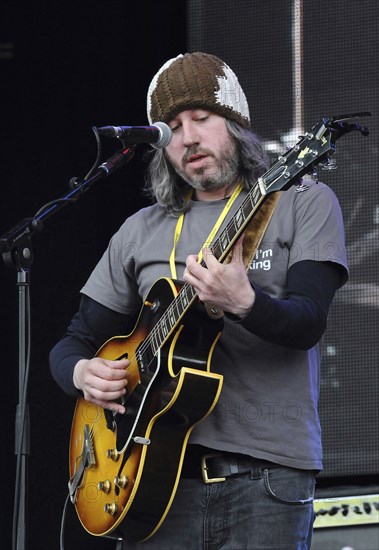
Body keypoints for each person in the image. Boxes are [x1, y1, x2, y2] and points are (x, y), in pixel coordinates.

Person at [50, 52, 348, 549]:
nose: (187, 138)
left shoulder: (302, 199)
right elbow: (72, 343)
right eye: (170, 128)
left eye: (201, 119)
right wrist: (83, 374)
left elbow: (308, 323)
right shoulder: (139, 232)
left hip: (268, 481)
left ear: (236, 122)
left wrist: (245, 302)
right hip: (151, 485)